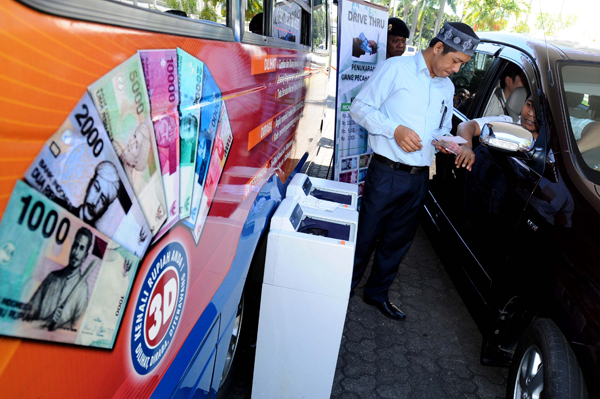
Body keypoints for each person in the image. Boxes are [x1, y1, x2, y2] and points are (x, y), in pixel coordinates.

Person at [349, 22, 480, 320]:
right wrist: (393, 129)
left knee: (398, 241)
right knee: (365, 237)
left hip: (419, 178)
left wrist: (447, 143)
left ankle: (376, 294)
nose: (457, 70)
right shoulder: (396, 69)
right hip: (386, 174)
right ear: (437, 48)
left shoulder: (446, 86)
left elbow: (440, 129)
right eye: (455, 61)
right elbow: (359, 108)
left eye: (462, 64)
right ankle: (341, 289)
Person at [453, 94, 600, 171]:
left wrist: (564, 156)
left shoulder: (558, 125)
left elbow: (597, 130)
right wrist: (466, 147)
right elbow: (466, 125)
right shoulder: (508, 122)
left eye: (538, 110)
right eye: (528, 104)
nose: (530, 113)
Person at [27, 227, 94, 331]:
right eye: (75, 246)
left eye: (81, 248)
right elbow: (27, 315)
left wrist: (59, 324)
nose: (76, 252)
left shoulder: (83, 291)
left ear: (85, 256)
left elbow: (75, 331)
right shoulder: (51, 278)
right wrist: (45, 323)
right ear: (71, 247)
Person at [50, 161, 121, 227]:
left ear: (104, 209)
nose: (94, 202)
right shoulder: (56, 206)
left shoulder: (97, 239)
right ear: (89, 185)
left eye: (102, 199)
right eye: (96, 188)